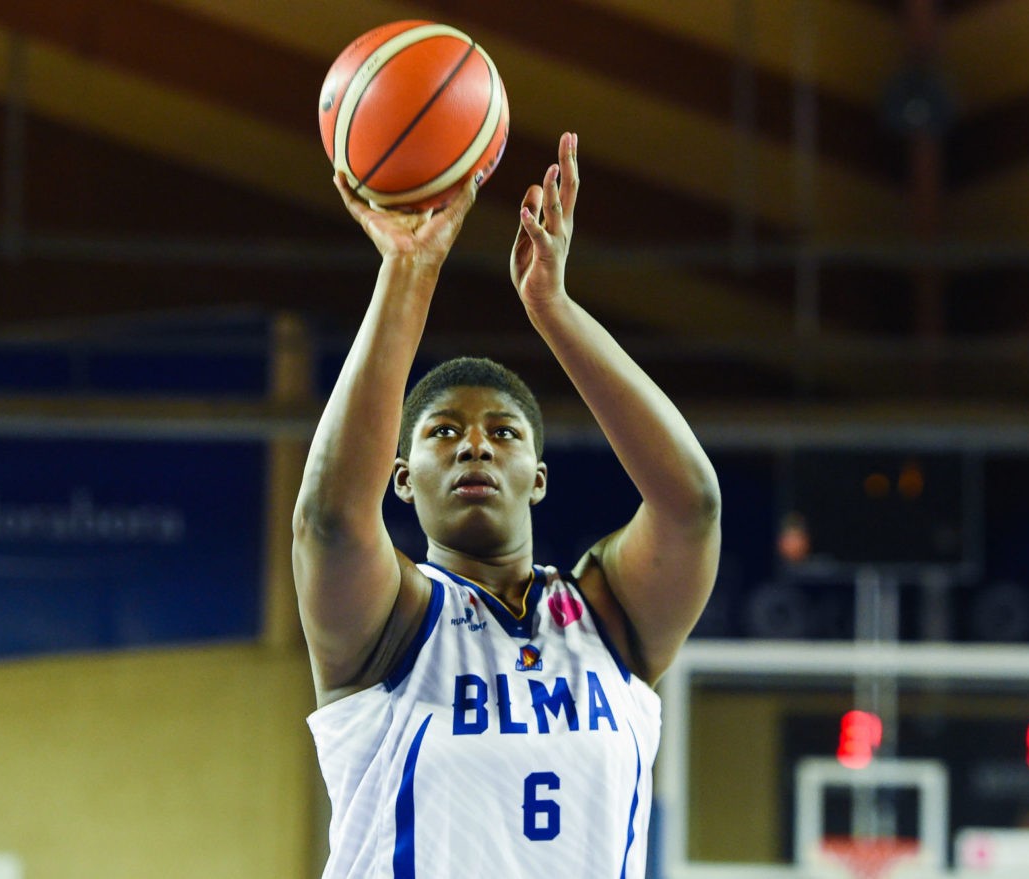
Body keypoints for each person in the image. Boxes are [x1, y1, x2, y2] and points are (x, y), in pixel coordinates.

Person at [293, 132, 721, 878]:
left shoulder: (607, 620)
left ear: (539, 476)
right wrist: (408, 269)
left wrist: (553, 308)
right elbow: (328, 522)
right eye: (444, 432)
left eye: (502, 432)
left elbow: (692, 506)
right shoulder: (389, 625)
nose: (475, 446)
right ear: (402, 479)